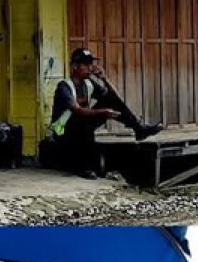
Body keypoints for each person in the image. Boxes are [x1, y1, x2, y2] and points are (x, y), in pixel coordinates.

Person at [40, 49, 163, 179]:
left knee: (110, 101)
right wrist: (103, 112)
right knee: (82, 121)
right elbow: (78, 110)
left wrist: (104, 79)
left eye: (91, 64)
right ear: (75, 66)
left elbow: (115, 98)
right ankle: (83, 167)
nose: (90, 68)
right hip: (63, 132)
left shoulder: (88, 83)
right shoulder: (64, 86)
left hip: (81, 127)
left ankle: (138, 128)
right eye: (86, 65)